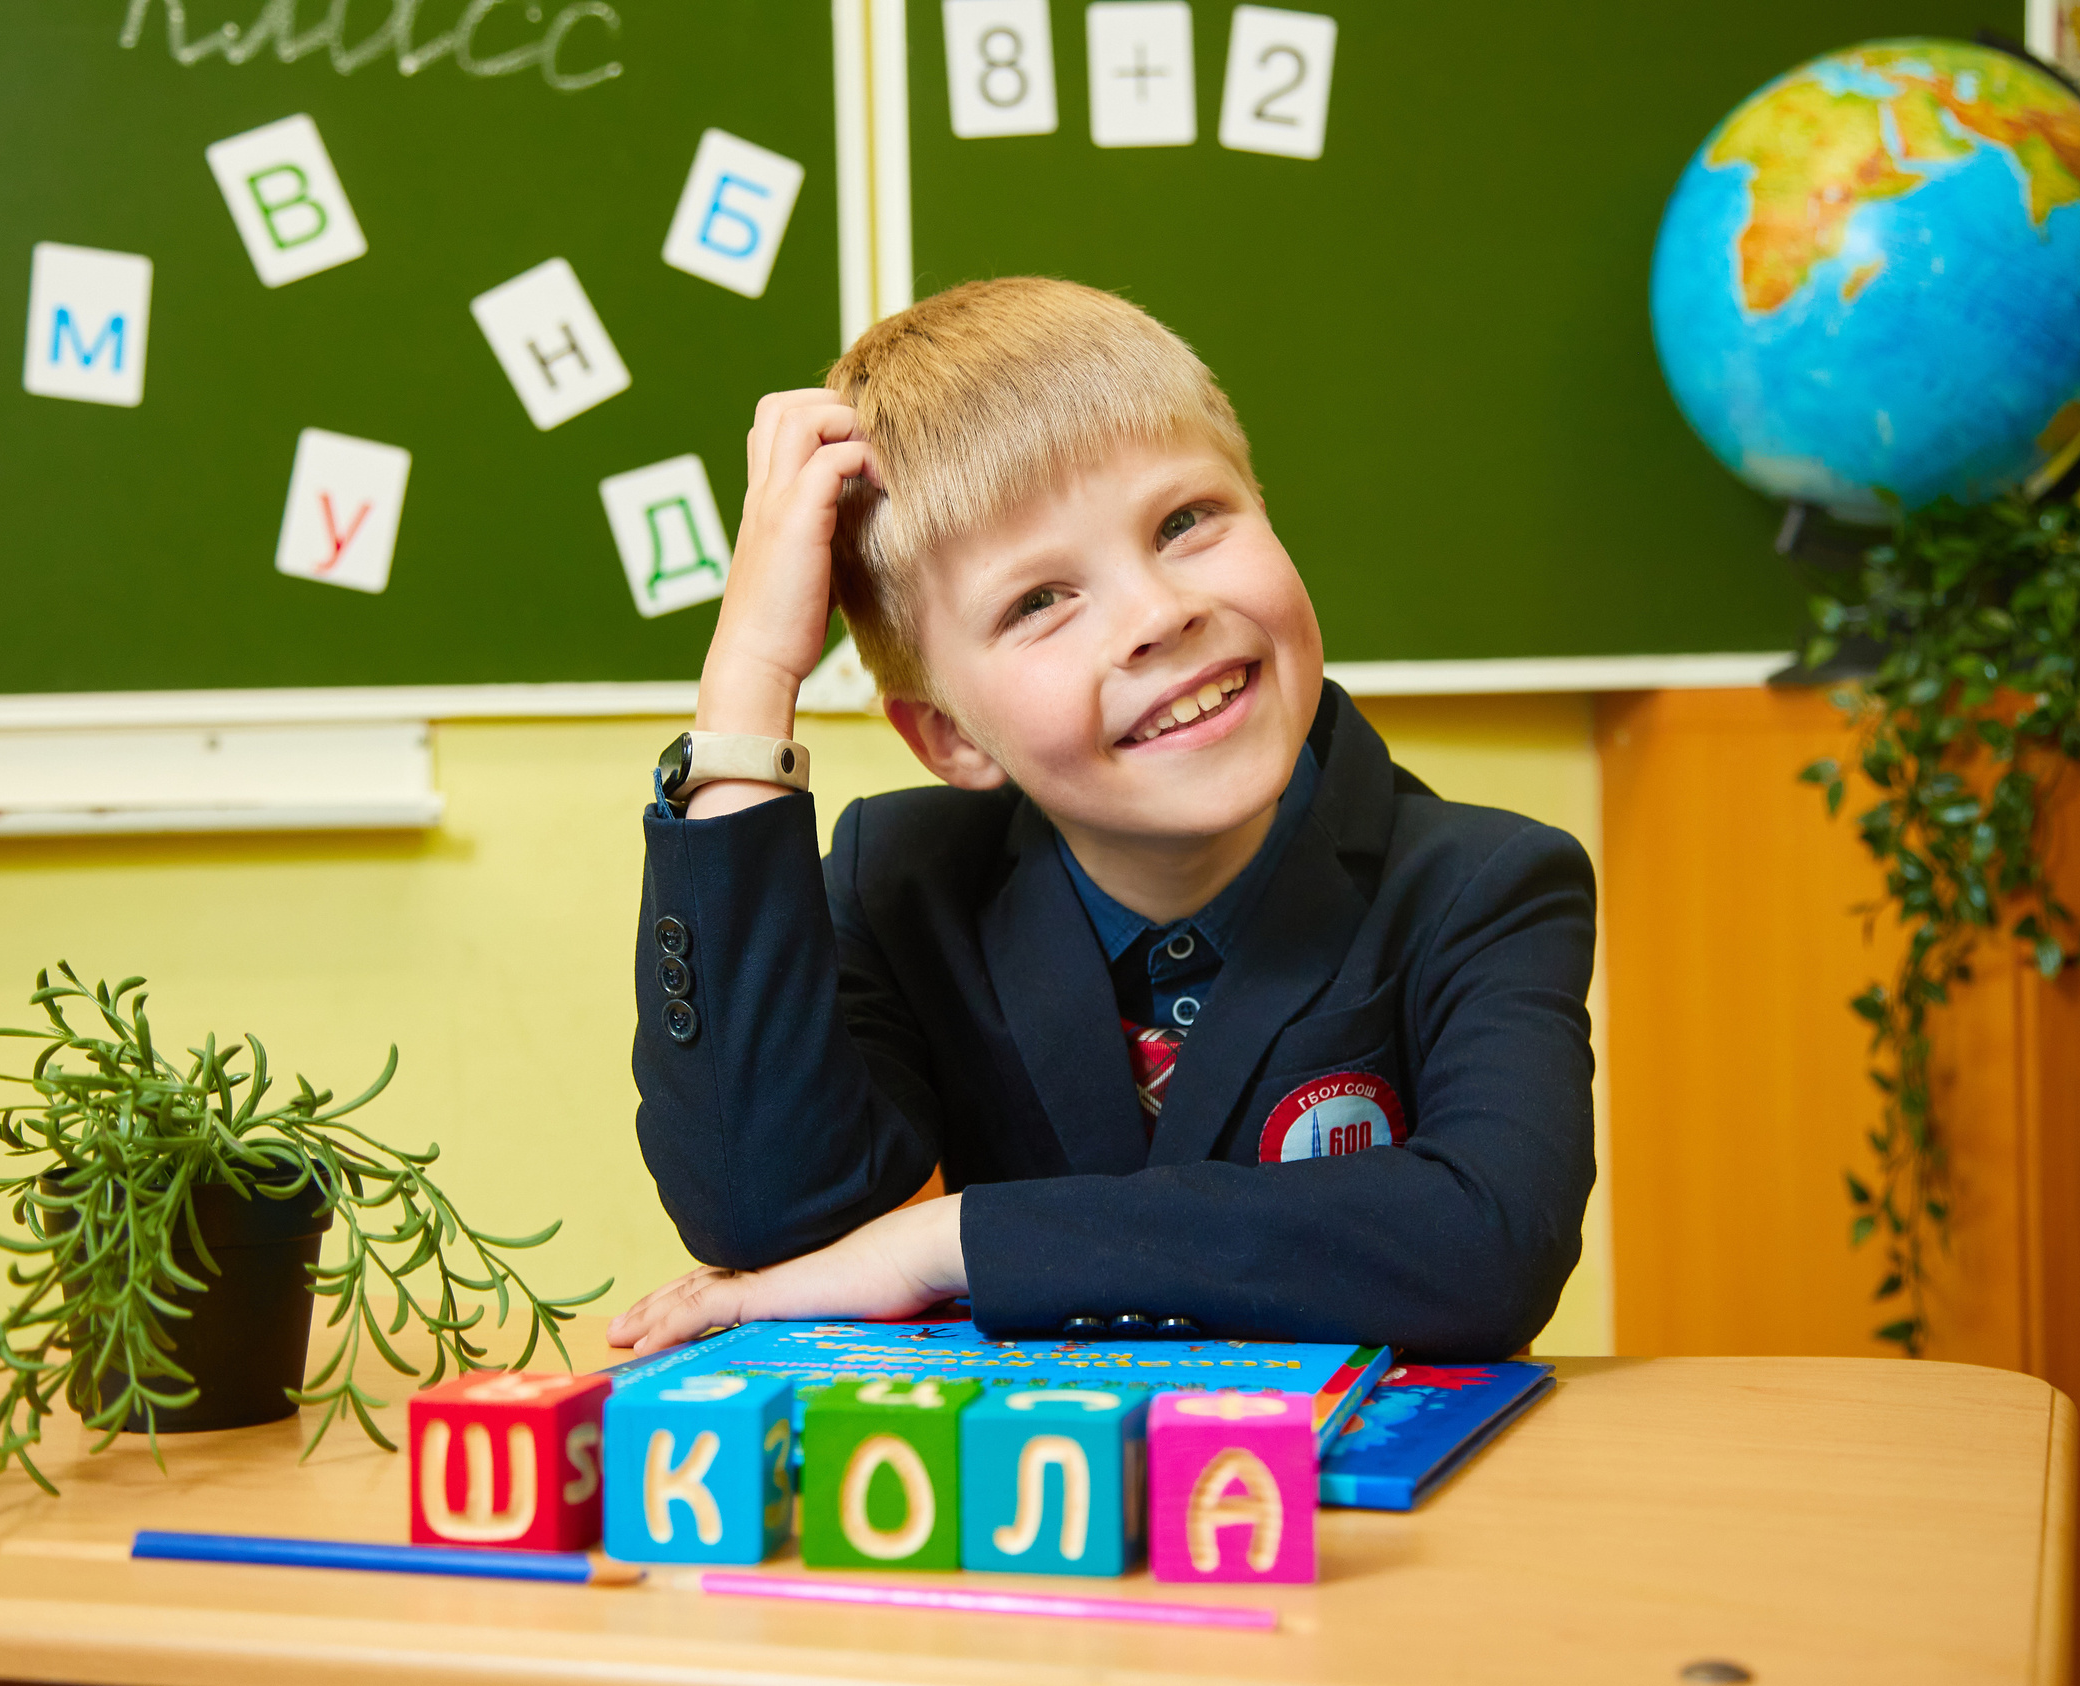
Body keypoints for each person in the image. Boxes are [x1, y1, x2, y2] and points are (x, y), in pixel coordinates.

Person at [607, 278, 1593, 1362]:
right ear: (950, 740)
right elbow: (761, 1210)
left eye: (1185, 522)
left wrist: (955, 1241)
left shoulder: (1485, 883)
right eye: (1038, 600)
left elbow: (1487, 1244)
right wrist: (748, 680)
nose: (1158, 614)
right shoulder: (903, 884)